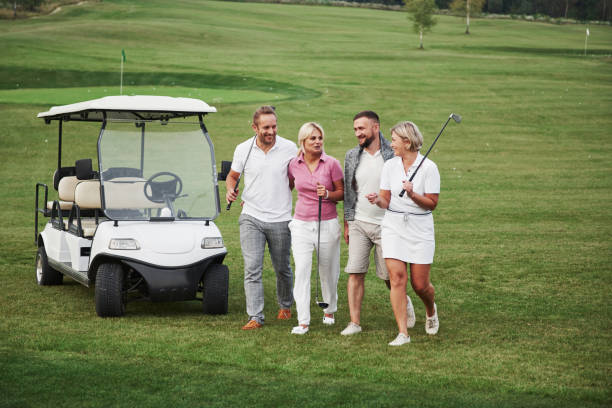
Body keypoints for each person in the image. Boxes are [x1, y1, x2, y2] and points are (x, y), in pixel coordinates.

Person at [340, 111, 417, 336]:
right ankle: (354, 322)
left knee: (389, 276)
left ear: (375, 127)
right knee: (355, 272)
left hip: (388, 224)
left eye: (361, 128)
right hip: (359, 223)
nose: (358, 133)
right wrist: (347, 222)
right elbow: (348, 191)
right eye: (355, 129)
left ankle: (405, 303)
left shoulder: (392, 153)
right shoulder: (352, 155)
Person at [366, 120, 440, 346]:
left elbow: (432, 204)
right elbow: (386, 200)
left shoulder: (429, 168)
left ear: (407, 142)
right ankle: (402, 333)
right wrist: (378, 200)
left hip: (420, 229)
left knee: (420, 285)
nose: (391, 145)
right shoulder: (390, 166)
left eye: (395, 140)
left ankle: (430, 310)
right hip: (393, 227)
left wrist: (412, 194)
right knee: (397, 278)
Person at [226, 106, 298, 330]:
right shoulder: (243, 149)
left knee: (282, 268)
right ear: (254, 127)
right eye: (266, 127)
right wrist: (230, 190)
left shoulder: (289, 148)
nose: (271, 131)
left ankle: (285, 305)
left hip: (281, 218)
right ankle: (255, 316)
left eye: (274, 126)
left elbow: (294, 179)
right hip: (251, 217)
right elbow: (233, 176)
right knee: (252, 268)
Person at [287, 122, 344, 335]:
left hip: (327, 223)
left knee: (327, 269)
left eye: (320, 138)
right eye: (313, 138)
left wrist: (328, 194)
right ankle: (303, 321)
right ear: (303, 142)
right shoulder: (294, 164)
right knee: (302, 270)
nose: (318, 142)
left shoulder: (332, 164)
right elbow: (289, 185)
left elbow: (342, 192)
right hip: (301, 224)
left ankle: (329, 310)